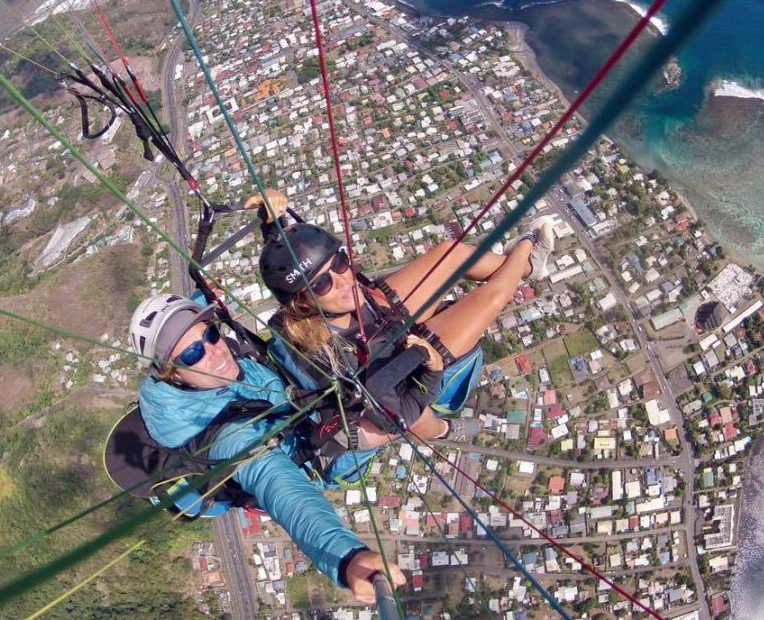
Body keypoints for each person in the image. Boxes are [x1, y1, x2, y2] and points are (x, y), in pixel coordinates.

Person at [129, 293, 406, 603]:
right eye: (193, 353)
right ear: (173, 374)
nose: (214, 350)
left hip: (299, 406)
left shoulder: (207, 376)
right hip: (319, 457)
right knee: (403, 412)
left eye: (210, 333)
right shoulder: (228, 438)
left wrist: (202, 298)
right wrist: (347, 558)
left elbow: (199, 337)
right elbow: (277, 484)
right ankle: (443, 421)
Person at [260, 214, 554, 449]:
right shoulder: (338, 360)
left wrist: (272, 225)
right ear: (303, 301)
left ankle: (527, 267)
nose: (341, 280)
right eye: (322, 283)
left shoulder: (319, 305)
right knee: (491, 298)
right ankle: (527, 253)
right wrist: (435, 377)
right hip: (409, 375)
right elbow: (397, 417)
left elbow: (295, 267)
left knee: (449, 254)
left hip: (381, 324)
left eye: (339, 262)